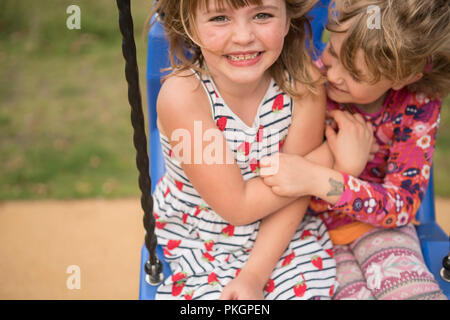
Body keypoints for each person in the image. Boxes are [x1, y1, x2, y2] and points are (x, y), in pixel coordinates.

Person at [148, 0, 337, 300]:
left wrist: (254, 276)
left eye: (262, 15)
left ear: (288, 18)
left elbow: (296, 192)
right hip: (202, 243)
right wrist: (328, 157)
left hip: (281, 237)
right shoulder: (184, 97)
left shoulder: (304, 86)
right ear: (190, 24)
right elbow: (239, 206)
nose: (243, 36)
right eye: (220, 18)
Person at [260, 0, 449, 299]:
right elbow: (285, 178)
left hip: (380, 229)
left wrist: (322, 179)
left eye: (357, 75)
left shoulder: (418, 104)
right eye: (333, 52)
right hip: (308, 232)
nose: (333, 76)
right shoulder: (309, 84)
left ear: (402, 78)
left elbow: (402, 204)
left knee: (411, 290)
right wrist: (343, 169)